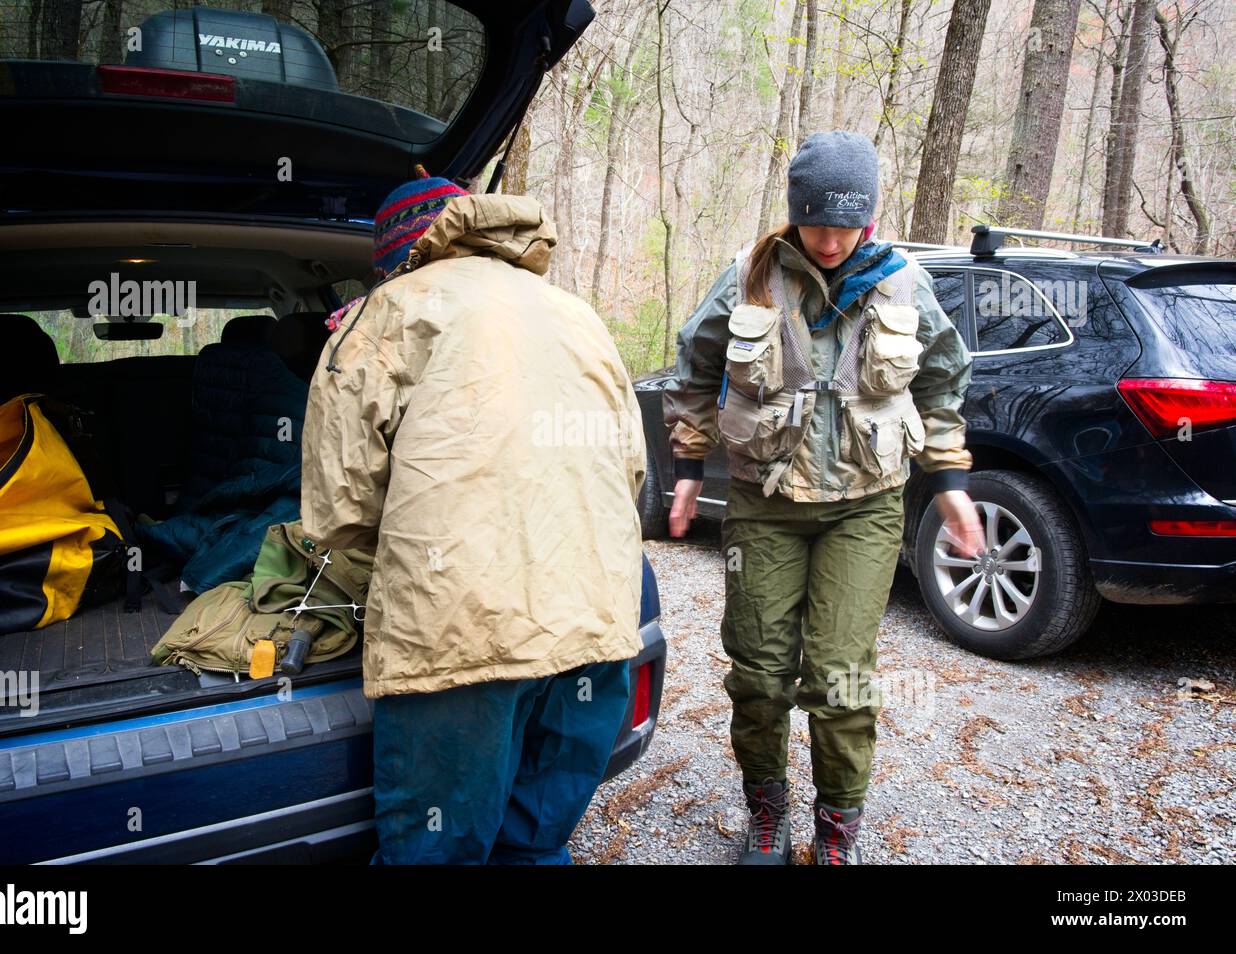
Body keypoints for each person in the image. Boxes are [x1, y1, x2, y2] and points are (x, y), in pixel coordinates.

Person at [300, 169, 647, 864]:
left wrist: (364, 597)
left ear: (396, 254)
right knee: (535, 842)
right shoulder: (576, 314)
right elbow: (632, 466)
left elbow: (338, 509)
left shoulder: (386, 312)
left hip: (460, 640)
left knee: (436, 853)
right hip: (598, 625)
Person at [663, 130, 985, 865]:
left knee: (841, 674)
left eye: (847, 221)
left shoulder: (902, 281)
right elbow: (693, 365)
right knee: (758, 671)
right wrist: (687, 466)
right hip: (764, 501)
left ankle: (837, 829)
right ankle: (766, 813)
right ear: (794, 211)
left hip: (866, 505)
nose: (831, 237)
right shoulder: (751, 273)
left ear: (869, 215)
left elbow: (941, 382)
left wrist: (952, 483)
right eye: (816, 220)